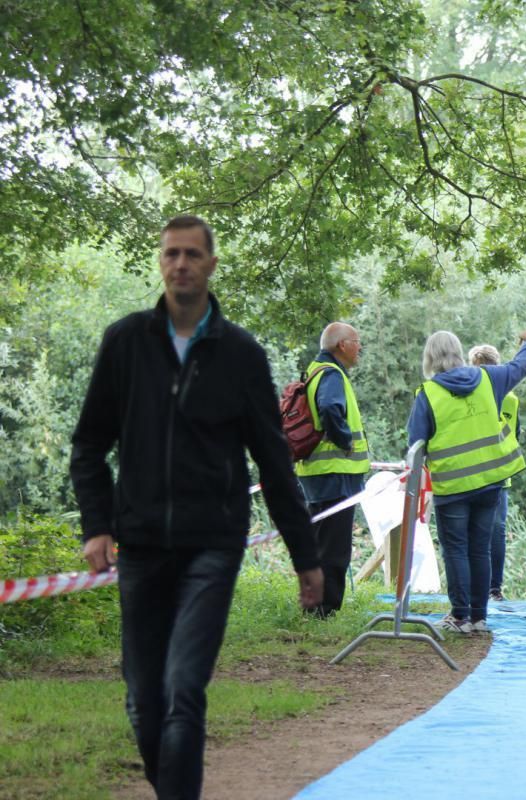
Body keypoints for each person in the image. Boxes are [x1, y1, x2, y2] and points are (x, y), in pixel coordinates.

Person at [70, 215, 322, 800]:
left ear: (210, 264)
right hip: (140, 545)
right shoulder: (126, 342)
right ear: (160, 263)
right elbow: (88, 446)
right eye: (170, 254)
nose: (179, 264)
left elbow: (274, 462)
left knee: (184, 689)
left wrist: (306, 556)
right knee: (143, 701)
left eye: (191, 255)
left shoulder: (240, 354)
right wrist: (97, 525)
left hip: (212, 543)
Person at [407, 329, 526, 634]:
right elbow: (520, 367)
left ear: (429, 358)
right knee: (480, 549)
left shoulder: (427, 394)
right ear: (458, 351)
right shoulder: (487, 379)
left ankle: (460, 616)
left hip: (452, 486)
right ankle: (479, 617)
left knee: (456, 549)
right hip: (489, 482)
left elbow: (416, 444)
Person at [295, 322, 369, 617]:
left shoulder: (315, 370)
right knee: (333, 548)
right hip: (335, 473)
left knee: (318, 544)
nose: (359, 346)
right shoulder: (332, 374)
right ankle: (324, 611)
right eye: (356, 340)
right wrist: (345, 440)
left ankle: (314, 608)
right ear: (342, 345)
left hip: (316, 474)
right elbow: (328, 408)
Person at [467, 343, 519, 602]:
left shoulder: (470, 396)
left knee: (473, 531)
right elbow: (515, 436)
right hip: (500, 472)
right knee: (496, 532)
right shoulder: (511, 398)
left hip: (473, 471)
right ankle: (494, 589)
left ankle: (474, 587)